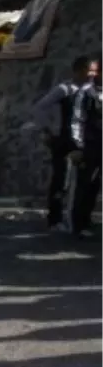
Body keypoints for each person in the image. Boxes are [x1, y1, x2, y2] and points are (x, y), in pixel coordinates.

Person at [24, 55, 99, 231]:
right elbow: (40, 107)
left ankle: (79, 218)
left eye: (93, 72)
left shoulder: (91, 91)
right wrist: (47, 130)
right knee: (62, 180)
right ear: (78, 71)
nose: (91, 75)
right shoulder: (65, 89)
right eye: (88, 71)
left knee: (85, 182)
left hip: (83, 140)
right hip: (64, 140)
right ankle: (55, 219)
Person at [69, 67, 103, 239]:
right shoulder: (86, 93)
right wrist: (78, 145)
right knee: (85, 184)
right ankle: (78, 223)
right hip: (89, 144)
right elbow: (77, 119)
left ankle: (88, 220)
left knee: (95, 185)